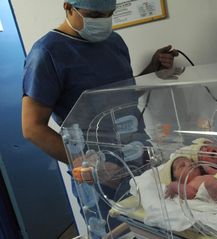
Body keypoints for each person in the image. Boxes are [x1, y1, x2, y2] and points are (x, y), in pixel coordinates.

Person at [21, 0, 178, 164]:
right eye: (95, 15)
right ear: (68, 7)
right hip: (98, 167)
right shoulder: (47, 54)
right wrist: (86, 165)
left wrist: (152, 70)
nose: (103, 21)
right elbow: (32, 128)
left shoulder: (114, 42)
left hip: (139, 153)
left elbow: (124, 94)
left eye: (109, 14)